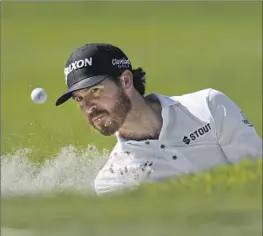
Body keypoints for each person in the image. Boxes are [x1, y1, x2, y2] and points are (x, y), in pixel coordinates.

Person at [56, 43, 262, 195]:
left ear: (126, 80)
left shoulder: (209, 106)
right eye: (79, 99)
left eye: (95, 90)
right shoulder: (113, 180)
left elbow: (257, 174)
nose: (89, 106)